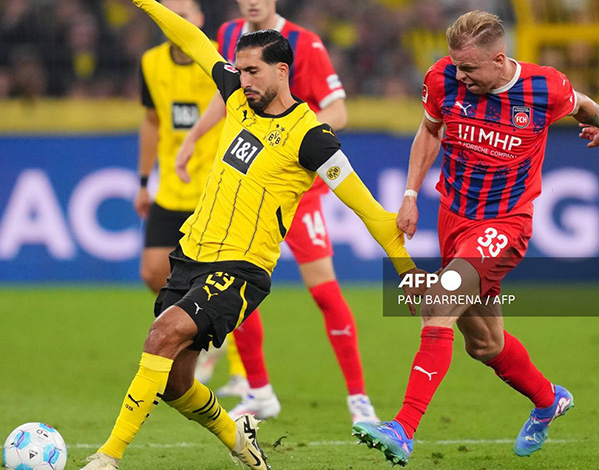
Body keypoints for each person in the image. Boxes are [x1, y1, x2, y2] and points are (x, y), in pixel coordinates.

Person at [81, 0, 419, 469]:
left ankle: (108, 456)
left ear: (283, 71)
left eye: (254, 72)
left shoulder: (311, 136)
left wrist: (408, 274)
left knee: (161, 335)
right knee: (176, 383)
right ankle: (236, 436)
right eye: (239, 71)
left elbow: (372, 214)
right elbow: (192, 39)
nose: (244, 81)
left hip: (241, 268)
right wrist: (148, 4)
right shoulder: (237, 98)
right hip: (192, 255)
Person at [352, 10, 599, 466]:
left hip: (506, 223)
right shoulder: (442, 80)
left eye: (470, 67)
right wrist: (411, 195)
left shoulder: (543, 87)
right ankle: (548, 399)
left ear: (499, 59)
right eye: (456, 64)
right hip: (454, 219)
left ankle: (403, 428)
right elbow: (429, 132)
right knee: (484, 344)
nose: (460, 74)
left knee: (439, 303)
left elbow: (583, 104)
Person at [176, 0, 377, 424]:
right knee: (232, 281)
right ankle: (260, 390)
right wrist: (195, 135)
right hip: (250, 185)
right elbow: (229, 96)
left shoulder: (307, 43)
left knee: (324, 291)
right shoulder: (232, 36)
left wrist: (287, 139)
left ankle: (359, 399)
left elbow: (338, 111)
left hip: (297, 185)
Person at [132, 0, 247, 395]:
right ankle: (201, 333)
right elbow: (151, 121)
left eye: (186, 15)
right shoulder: (151, 62)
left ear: (199, 21)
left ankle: (237, 368)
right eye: (171, 15)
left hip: (213, 190)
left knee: (222, 280)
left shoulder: (219, 62)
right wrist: (144, 181)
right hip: (171, 189)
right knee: (152, 272)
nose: (178, 22)